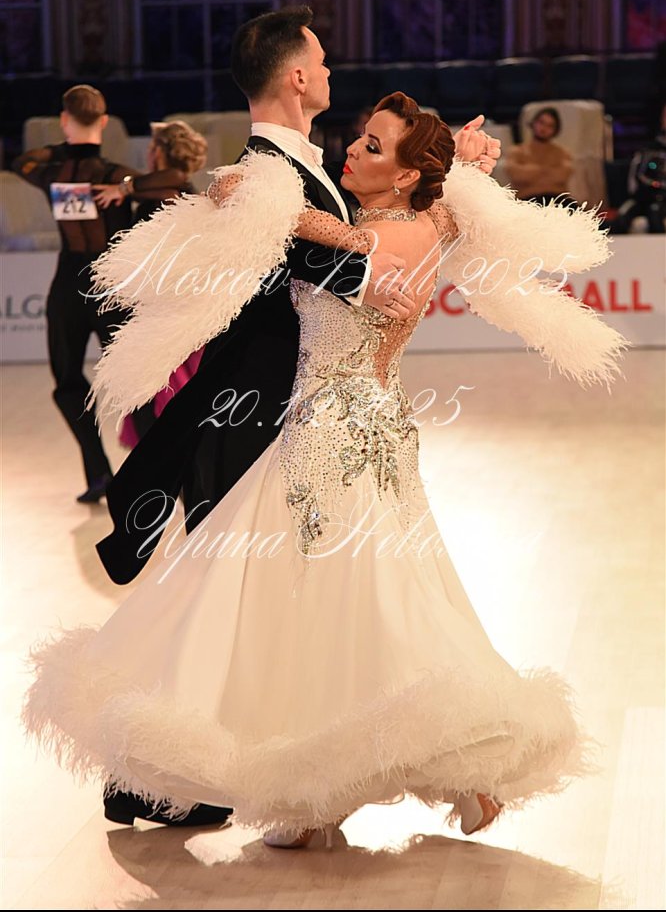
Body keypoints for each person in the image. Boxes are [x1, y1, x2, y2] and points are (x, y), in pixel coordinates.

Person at [24, 91, 627, 849]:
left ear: (405, 176)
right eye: (361, 137)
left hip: (328, 435)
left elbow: (282, 217)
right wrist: (461, 166)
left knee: (314, 601)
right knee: (371, 598)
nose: (353, 150)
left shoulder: (381, 239)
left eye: (374, 146)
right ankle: (393, 782)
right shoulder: (431, 221)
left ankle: (326, 792)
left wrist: (267, 195)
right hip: (373, 431)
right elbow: (381, 214)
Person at [93, 6, 500, 588]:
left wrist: (450, 163)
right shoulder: (258, 174)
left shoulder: (308, 169)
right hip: (251, 411)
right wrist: (357, 274)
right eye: (322, 61)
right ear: (300, 78)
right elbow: (278, 243)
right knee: (234, 589)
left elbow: (391, 211)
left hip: (317, 417)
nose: (330, 71)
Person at [10, 85, 138, 503]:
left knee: (66, 382)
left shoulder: (52, 173)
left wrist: (61, 149)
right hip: (112, 286)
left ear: (64, 120)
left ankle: (99, 472)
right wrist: (129, 188)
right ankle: (154, 474)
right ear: (104, 121)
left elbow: (20, 162)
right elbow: (163, 188)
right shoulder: (117, 175)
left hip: (68, 287)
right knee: (138, 383)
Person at [92, 120, 209, 448]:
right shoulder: (189, 194)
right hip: (179, 308)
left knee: (154, 395)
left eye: (151, 146)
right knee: (171, 394)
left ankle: (158, 470)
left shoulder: (165, 195)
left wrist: (123, 189)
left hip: (158, 311)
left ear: (159, 152)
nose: (147, 152)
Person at [606, 103, 666, 235]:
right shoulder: (648, 149)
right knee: (623, 216)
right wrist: (653, 187)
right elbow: (638, 176)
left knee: (655, 212)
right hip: (646, 196)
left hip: (661, 201)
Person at [506, 106, 575, 207]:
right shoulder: (517, 151)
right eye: (541, 122)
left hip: (558, 199)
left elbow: (562, 175)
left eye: (550, 125)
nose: (544, 128)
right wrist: (547, 170)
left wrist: (532, 172)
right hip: (527, 200)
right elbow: (516, 175)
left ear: (555, 130)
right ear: (534, 123)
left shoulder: (562, 153)